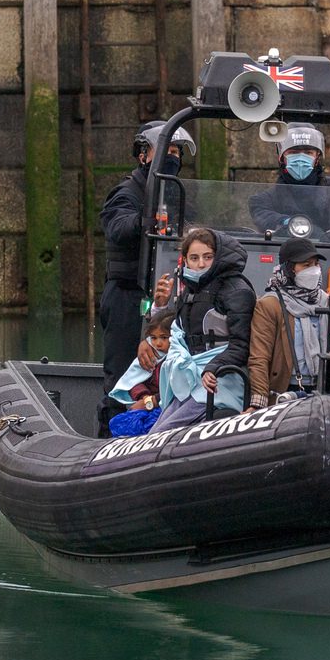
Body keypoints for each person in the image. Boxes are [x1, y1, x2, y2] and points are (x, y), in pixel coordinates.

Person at [97, 120, 195, 436]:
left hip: (165, 295)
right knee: (124, 369)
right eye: (167, 150)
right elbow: (117, 227)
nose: (173, 157)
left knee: (164, 366)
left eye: (177, 152)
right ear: (143, 155)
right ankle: (108, 435)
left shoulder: (175, 193)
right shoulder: (127, 192)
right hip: (128, 295)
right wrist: (146, 220)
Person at [151, 227, 256, 431]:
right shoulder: (190, 291)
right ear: (185, 260)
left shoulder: (236, 291)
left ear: (218, 258)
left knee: (161, 433)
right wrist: (159, 308)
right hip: (191, 379)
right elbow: (177, 332)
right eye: (194, 258)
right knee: (156, 430)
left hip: (222, 381)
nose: (201, 264)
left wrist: (213, 367)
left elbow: (242, 345)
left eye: (208, 257)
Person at [246, 238, 329, 410]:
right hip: (286, 394)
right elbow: (259, 357)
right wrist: (257, 403)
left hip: (324, 392)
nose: (313, 271)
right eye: (306, 265)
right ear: (289, 269)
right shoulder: (270, 304)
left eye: (316, 264)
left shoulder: (327, 302)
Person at [247, 123, 330, 235]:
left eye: (308, 153)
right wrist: (289, 223)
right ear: (281, 157)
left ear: (317, 157)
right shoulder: (263, 200)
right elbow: (264, 217)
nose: (300, 158)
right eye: (293, 152)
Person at [106, 309, 174, 436]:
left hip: (167, 407)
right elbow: (133, 381)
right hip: (146, 402)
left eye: (164, 337)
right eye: (154, 338)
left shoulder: (179, 359)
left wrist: (150, 403)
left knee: (150, 426)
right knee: (119, 424)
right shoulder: (149, 356)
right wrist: (144, 397)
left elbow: (176, 389)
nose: (158, 343)